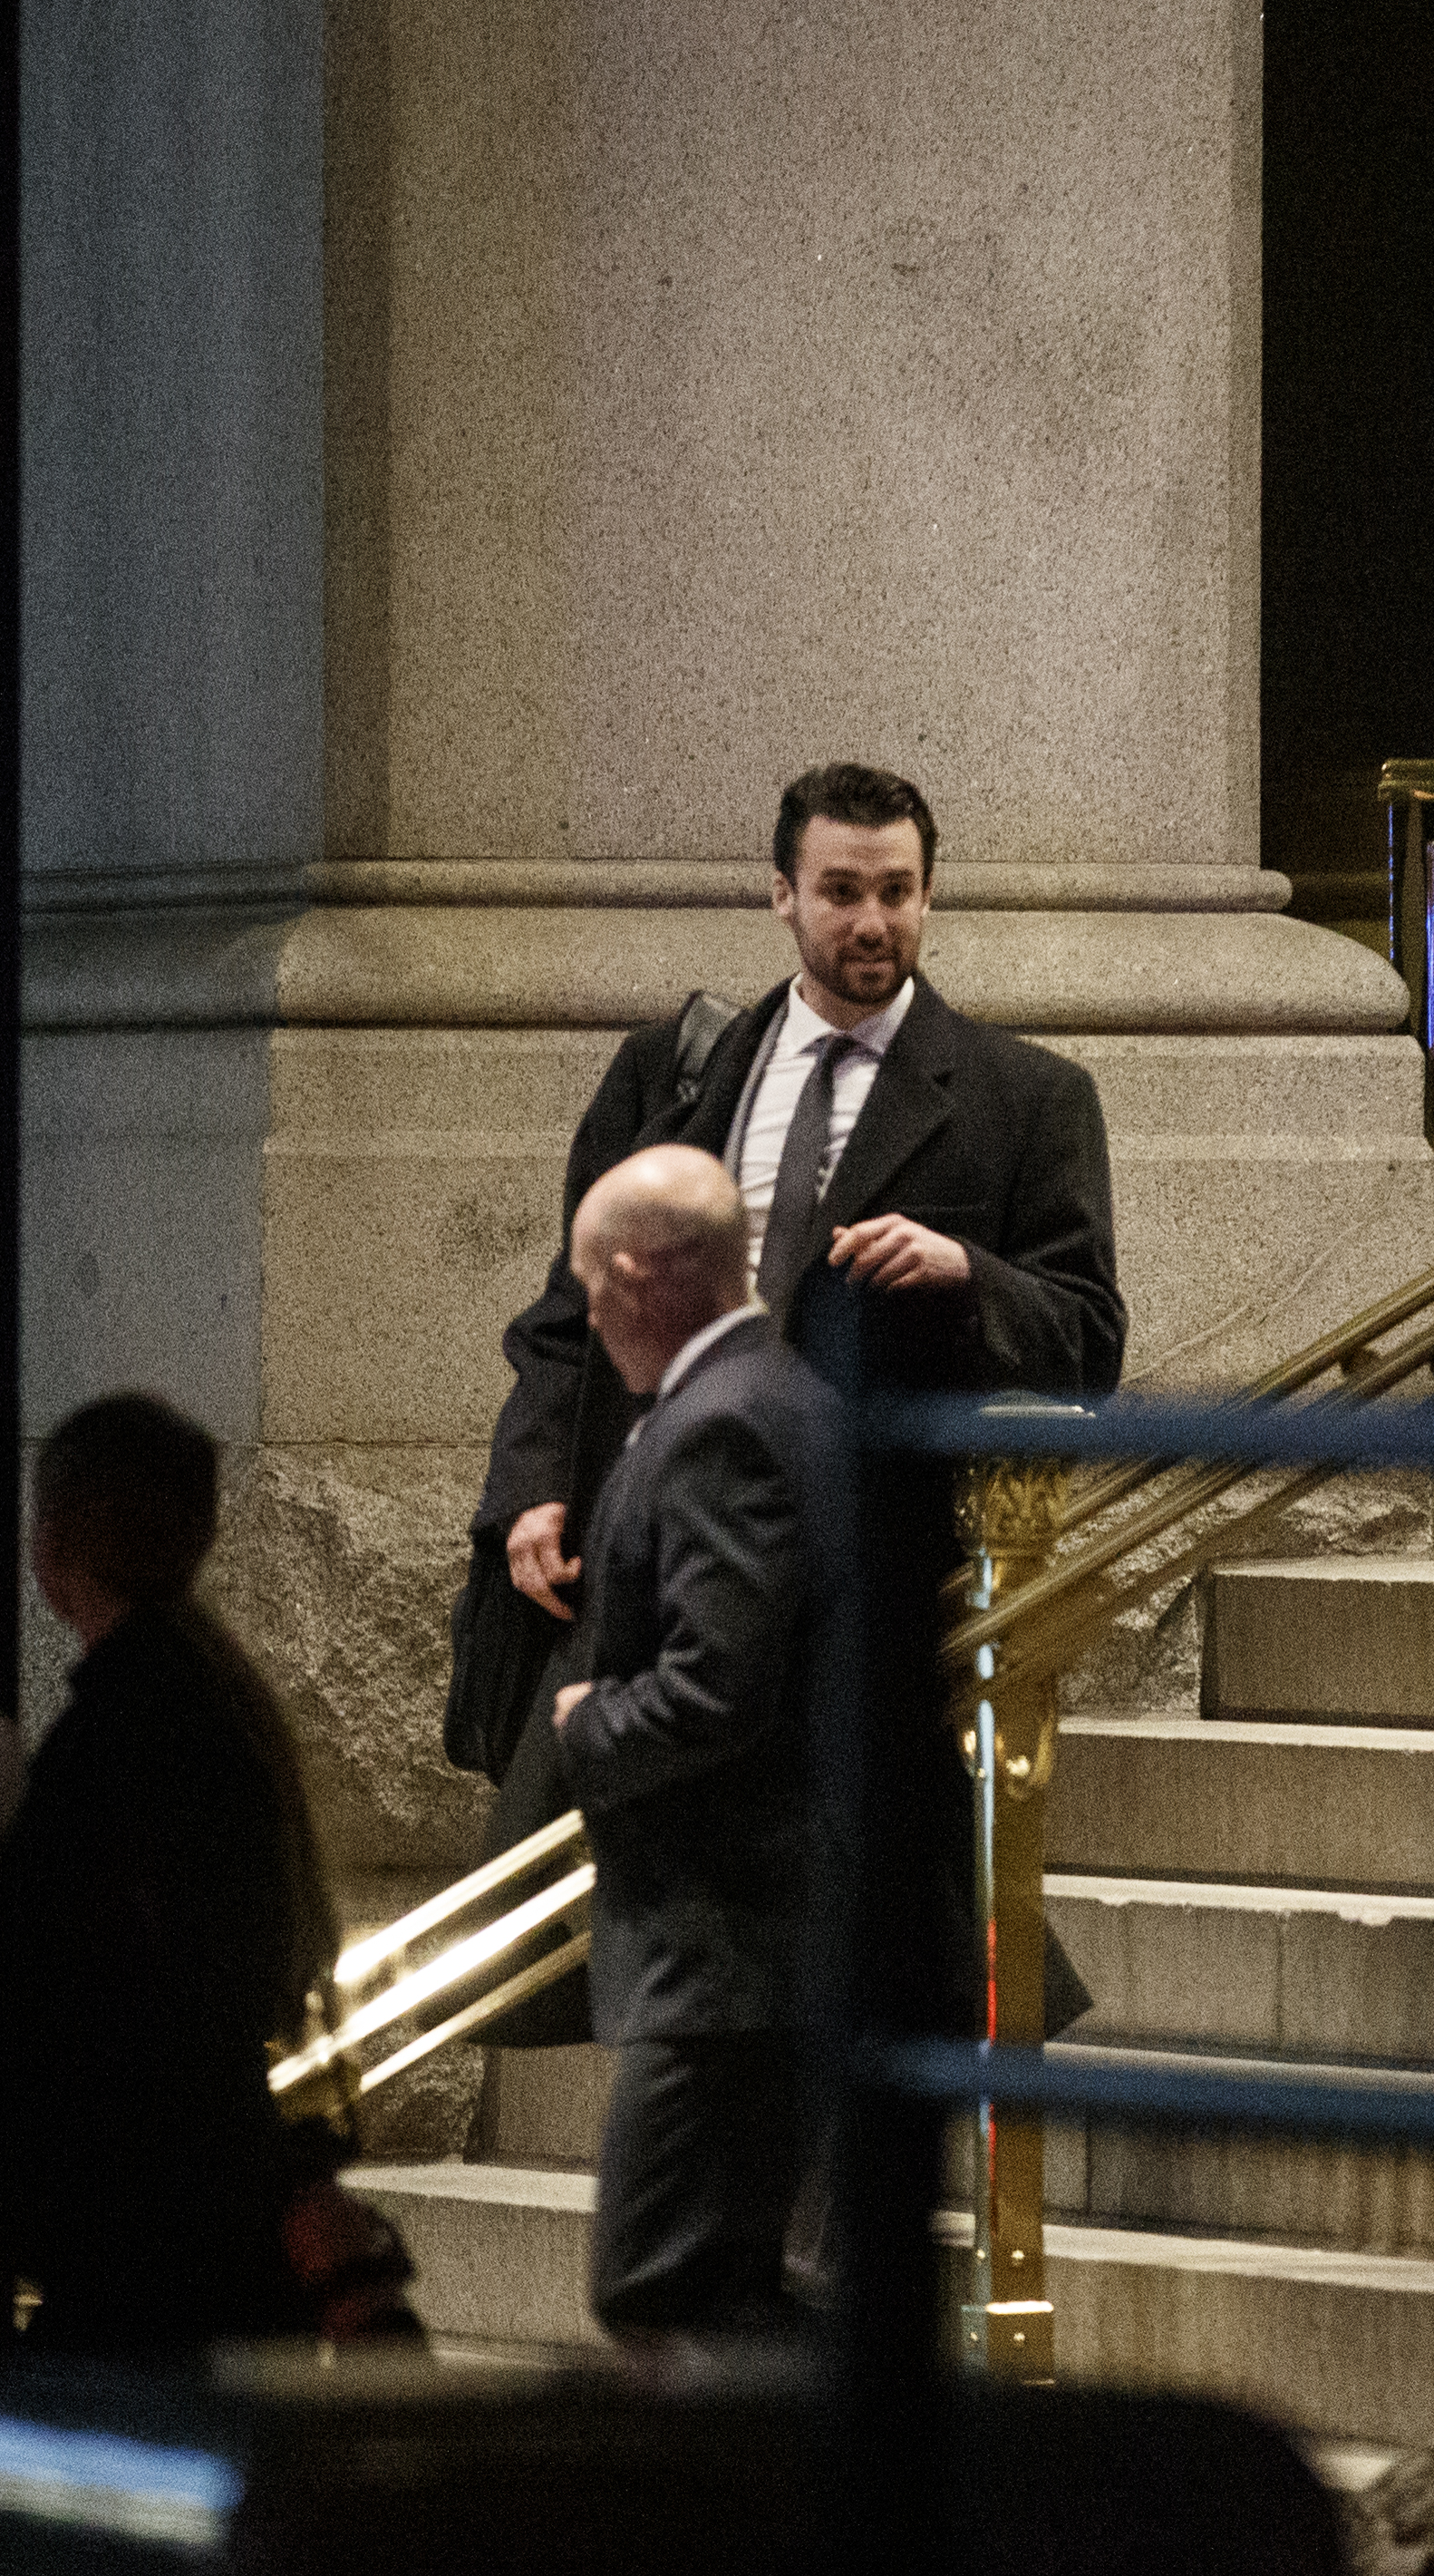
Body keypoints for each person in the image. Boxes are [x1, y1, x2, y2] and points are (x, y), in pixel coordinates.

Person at [462, 760, 1125, 2033]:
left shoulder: (1023, 1097)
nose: (870, 922)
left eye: (897, 892)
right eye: (839, 891)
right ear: (780, 894)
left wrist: (964, 1270)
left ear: (929, 896)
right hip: (658, 1530)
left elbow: (1088, 1342)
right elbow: (568, 1312)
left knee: (851, 1904)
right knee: (573, 1920)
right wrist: (533, 1487)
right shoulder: (674, 1072)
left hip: (848, 1553)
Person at [0, 1392, 354, 2357]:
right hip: (219, 2195)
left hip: (147, 2221)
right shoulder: (216, 1702)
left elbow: (76, 1977)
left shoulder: (116, 1730)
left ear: (55, 1540)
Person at [547, 1145, 840, 2345]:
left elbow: (716, 1687)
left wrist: (588, 1725)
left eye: (586, 1286)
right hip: (750, 1942)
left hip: (739, 1949)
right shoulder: (770, 1394)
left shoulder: (728, 1424)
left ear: (629, 1276)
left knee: (660, 2285)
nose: (588, 1314)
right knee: (721, 2286)